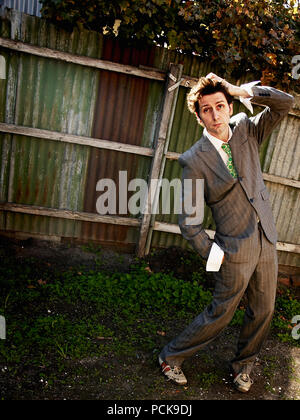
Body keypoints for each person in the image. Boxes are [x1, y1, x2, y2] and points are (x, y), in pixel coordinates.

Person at [158, 73, 294, 393]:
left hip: (266, 239)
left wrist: (241, 89)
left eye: (221, 106)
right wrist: (216, 255)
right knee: (221, 312)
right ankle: (171, 356)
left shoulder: (248, 130)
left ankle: (243, 365)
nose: (215, 114)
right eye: (207, 109)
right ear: (198, 116)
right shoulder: (193, 160)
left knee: (264, 309)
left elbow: (285, 103)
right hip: (232, 249)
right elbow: (189, 222)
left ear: (230, 107)